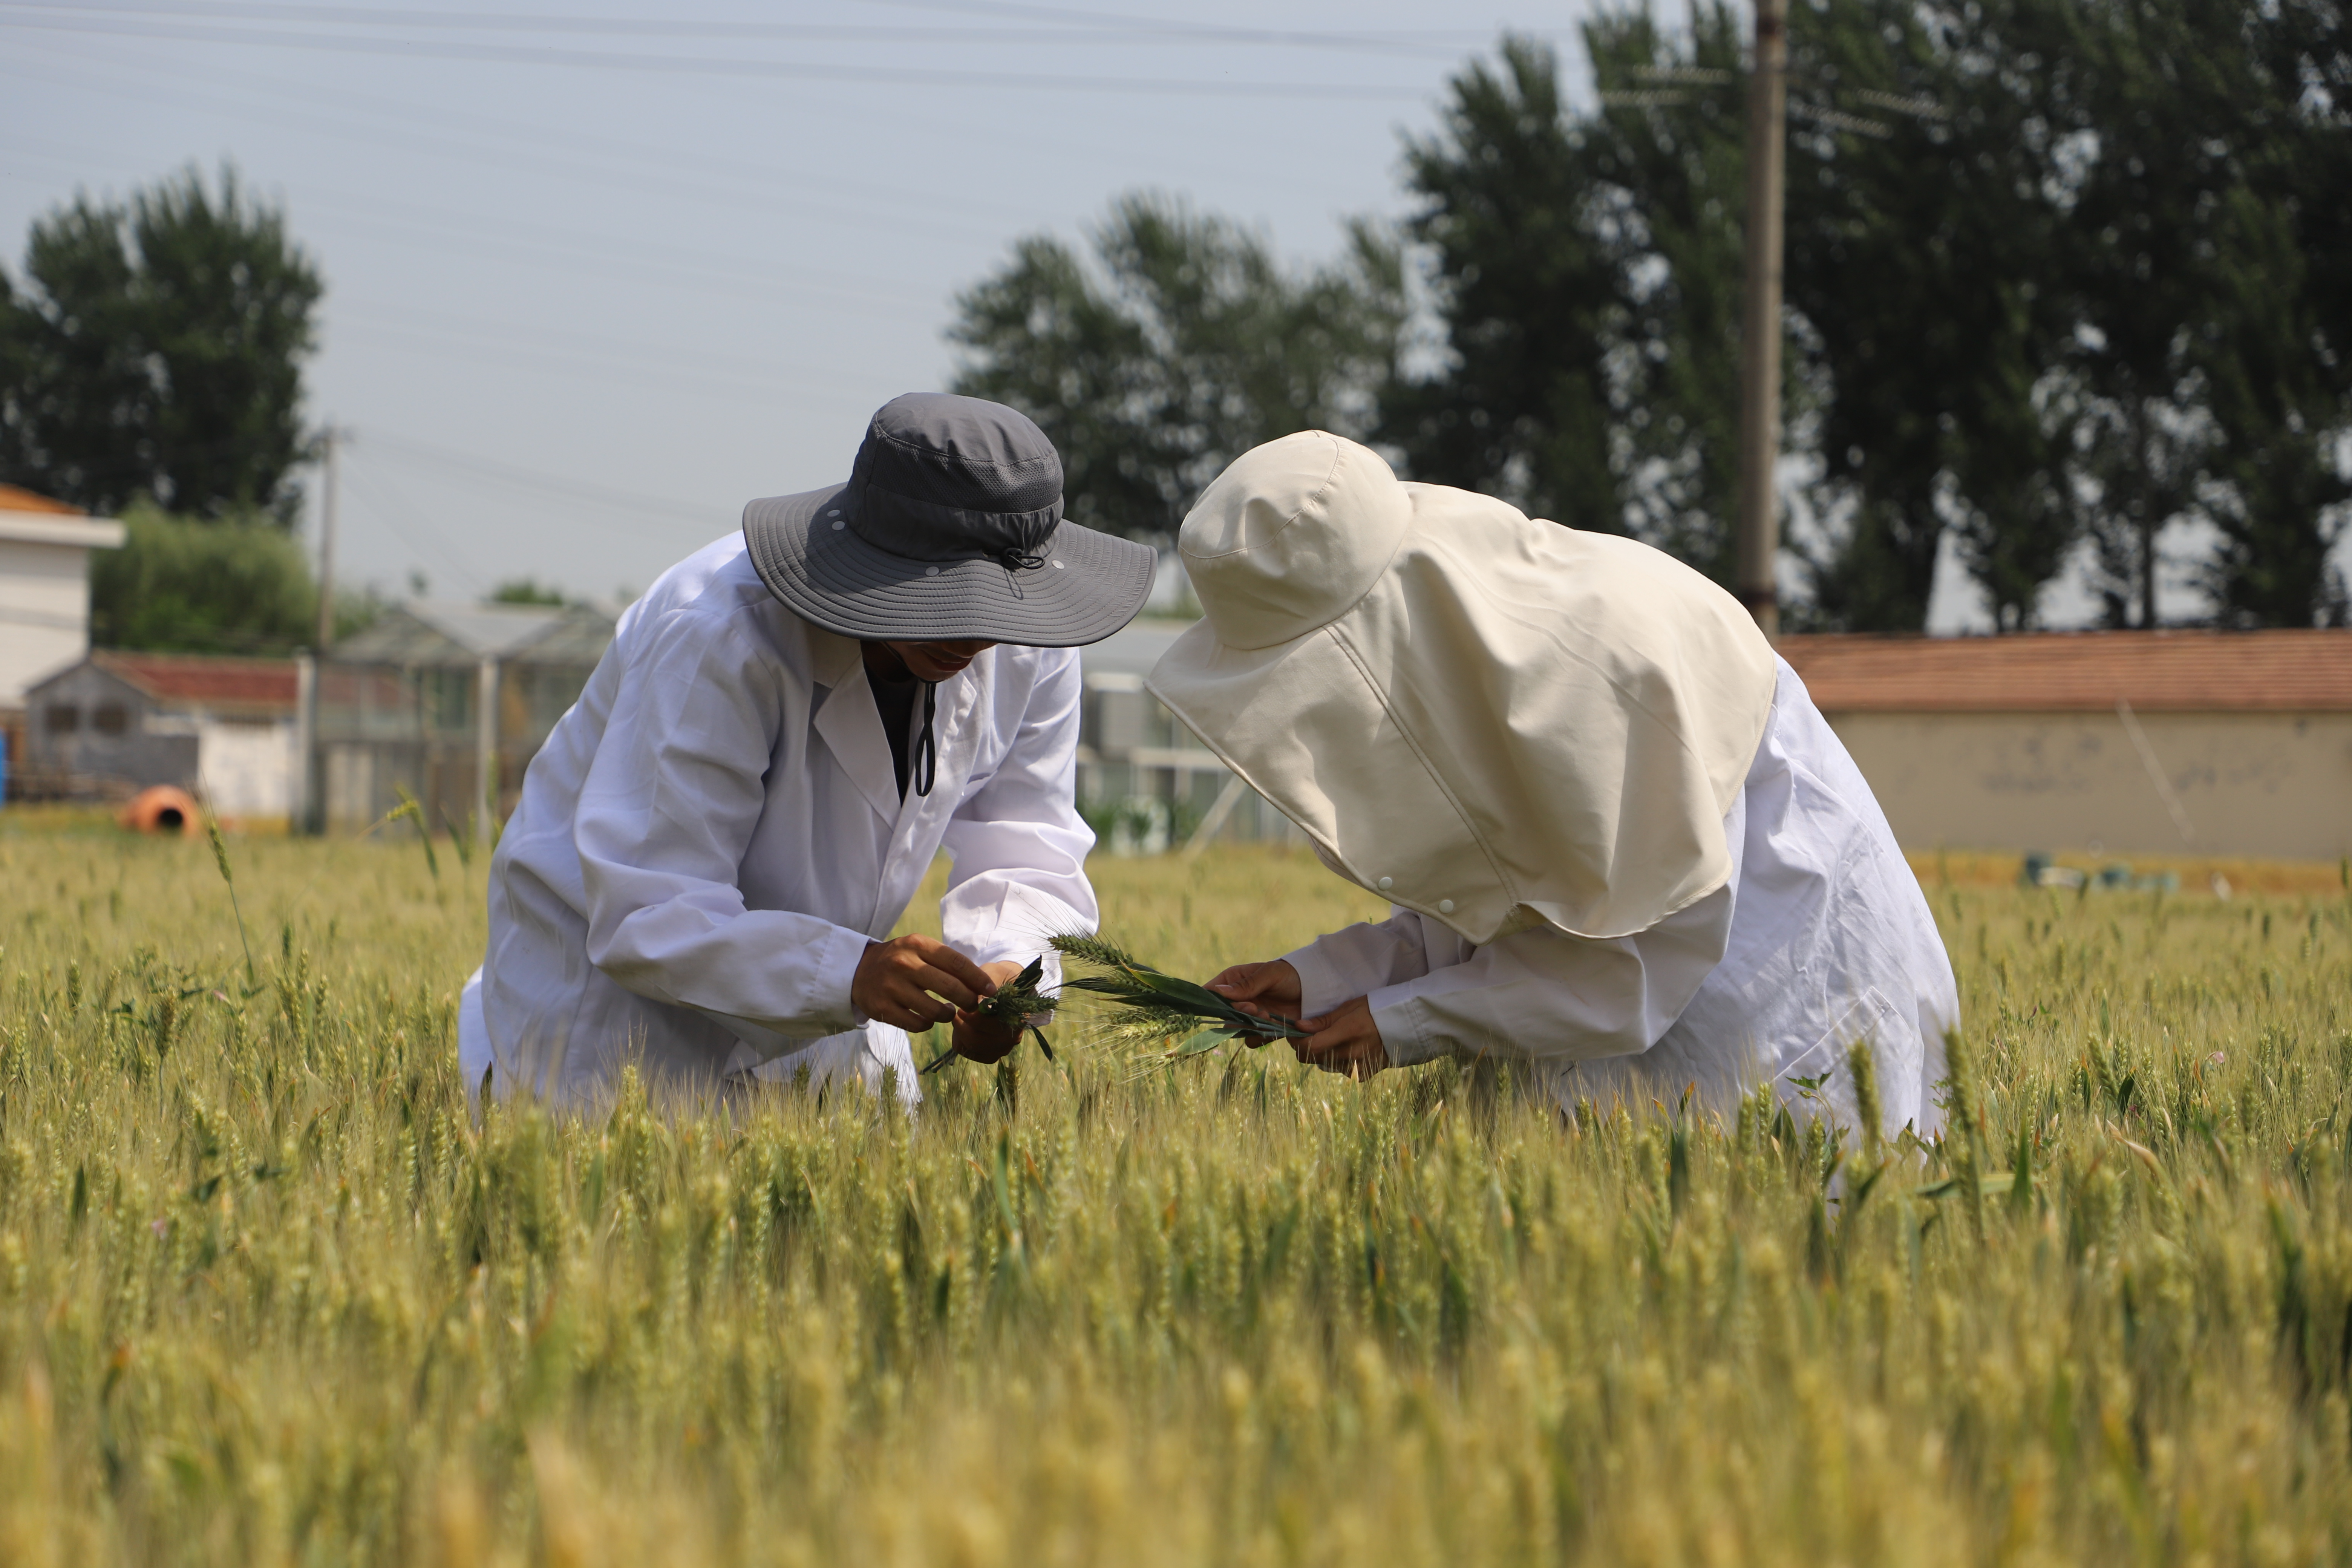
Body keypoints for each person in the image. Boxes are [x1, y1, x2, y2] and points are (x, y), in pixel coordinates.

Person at [1159, 431, 1958, 1138]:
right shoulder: (1466, 652)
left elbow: (1643, 961)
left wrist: (1403, 1021)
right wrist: (1326, 979)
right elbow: (1505, 901)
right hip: (1630, 1084)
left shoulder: (1610, 660)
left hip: (1779, 1025)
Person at [458, 394, 1155, 1105]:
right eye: (943, 603)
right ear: (873, 566)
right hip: (624, 1029)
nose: (976, 637)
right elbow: (652, 910)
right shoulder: (721, 635)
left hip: (837, 1009)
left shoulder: (1030, 643)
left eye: (996, 608)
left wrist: (1011, 973)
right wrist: (851, 975)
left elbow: (1028, 845)